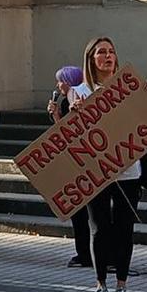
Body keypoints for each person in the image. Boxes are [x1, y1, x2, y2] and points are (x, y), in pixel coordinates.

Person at [72, 37, 140, 292]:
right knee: (98, 228)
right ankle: (100, 287)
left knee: (124, 229)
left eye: (112, 51)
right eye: (102, 52)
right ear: (91, 59)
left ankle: (122, 287)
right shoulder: (79, 92)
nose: (108, 56)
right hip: (95, 171)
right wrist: (75, 115)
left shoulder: (129, 88)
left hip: (128, 169)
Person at [48, 65, 90, 268]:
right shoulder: (66, 101)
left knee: (82, 213)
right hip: (75, 160)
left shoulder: (75, 98)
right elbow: (63, 133)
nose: (58, 85)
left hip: (81, 162)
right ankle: (84, 252)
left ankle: (85, 253)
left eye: (60, 80)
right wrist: (55, 115)